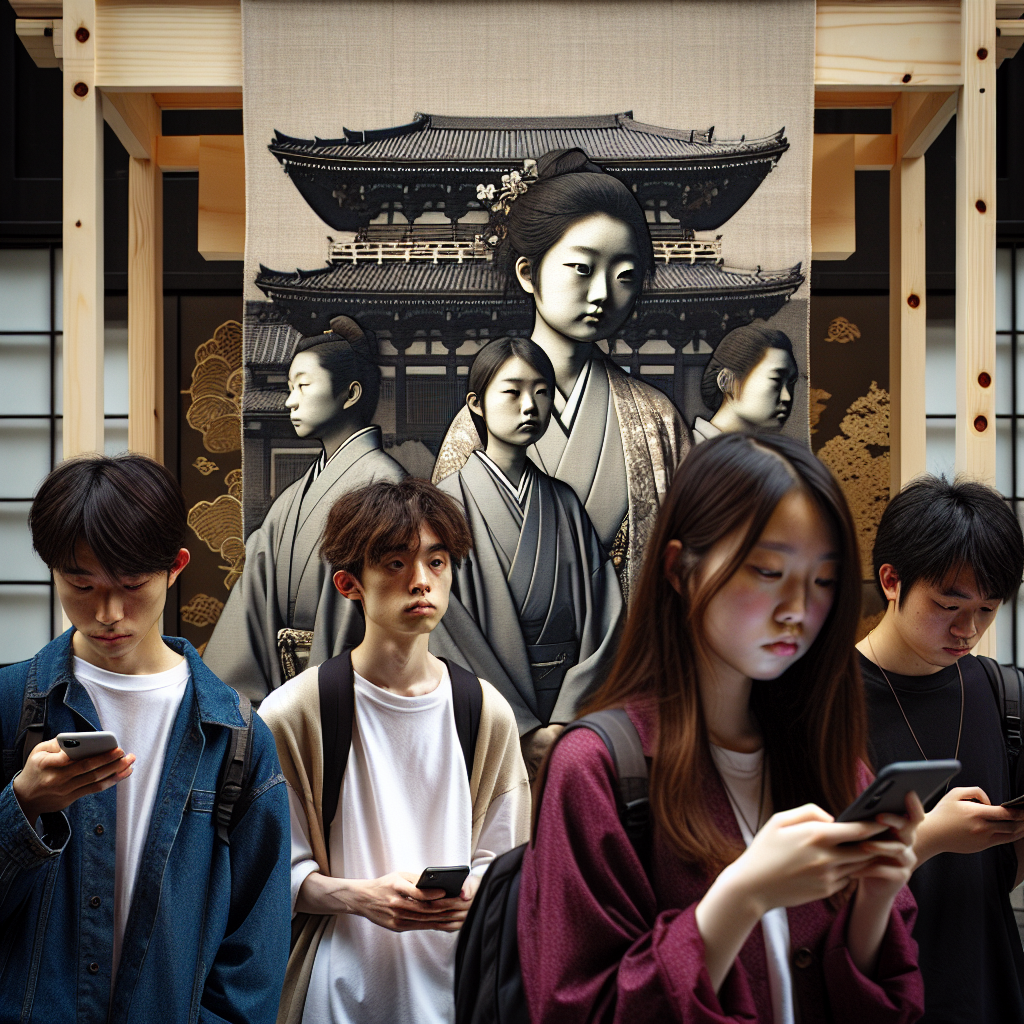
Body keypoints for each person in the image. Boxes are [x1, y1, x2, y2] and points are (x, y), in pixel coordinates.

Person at [520, 433, 925, 1024]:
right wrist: (743, 897)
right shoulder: (596, 768)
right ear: (680, 569)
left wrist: (875, 897)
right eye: (767, 570)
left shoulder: (827, 757)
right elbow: (577, 1008)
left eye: (823, 581)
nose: (796, 608)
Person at [0, 454, 290, 1023]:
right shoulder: (12, 704)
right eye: (80, 585)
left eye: (132, 585)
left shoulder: (236, 734)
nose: (108, 612)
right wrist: (23, 805)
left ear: (176, 567)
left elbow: (255, 946)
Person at [258, 478, 530, 1024]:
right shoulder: (294, 712)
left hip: (459, 992)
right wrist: (361, 896)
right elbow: (264, 874)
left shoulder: (485, 711)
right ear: (349, 583)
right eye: (395, 564)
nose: (421, 582)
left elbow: (508, 867)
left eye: (437, 562)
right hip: (334, 995)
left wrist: (472, 890)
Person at [433, 148, 691, 603]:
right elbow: (442, 574)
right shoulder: (473, 425)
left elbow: (694, 559)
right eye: (582, 268)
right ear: (528, 272)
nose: (602, 293)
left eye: (625, 274)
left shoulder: (656, 420)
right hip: (506, 661)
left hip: (632, 659)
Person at [856, 475, 1024, 1024]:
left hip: (988, 986)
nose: (967, 630)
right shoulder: (819, 704)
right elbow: (802, 889)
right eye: (948, 605)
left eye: (987, 610)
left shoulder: (1004, 694)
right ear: (891, 580)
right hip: (875, 995)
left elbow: (1003, 872)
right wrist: (924, 840)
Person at [430, 336, 623, 778]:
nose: (530, 406)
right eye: (512, 391)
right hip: (484, 714)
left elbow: (605, 617)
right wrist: (520, 728)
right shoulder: (445, 505)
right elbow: (444, 626)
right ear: (477, 403)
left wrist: (563, 721)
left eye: (542, 391)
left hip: (567, 717)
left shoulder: (565, 503)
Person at [204, 315, 406, 700]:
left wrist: (317, 697)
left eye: (302, 386)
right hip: (283, 696)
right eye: (288, 388)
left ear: (350, 394)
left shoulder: (385, 486)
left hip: (353, 690)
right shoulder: (290, 502)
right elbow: (253, 597)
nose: (289, 401)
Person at [692, 320, 799, 443]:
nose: (787, 397)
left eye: (791, 383)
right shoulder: (689, 449)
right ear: (725, 381)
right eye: (777, 380)